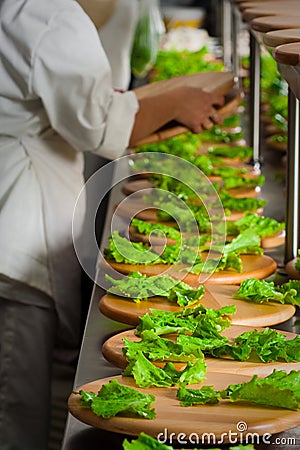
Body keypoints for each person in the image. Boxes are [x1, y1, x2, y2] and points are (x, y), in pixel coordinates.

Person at [0, 1, 224, 449]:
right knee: (14, 392)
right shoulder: (46, 13)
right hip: (16, 217)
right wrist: (178, 100)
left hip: (22, 192)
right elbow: (100, 125)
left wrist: (162, 104)